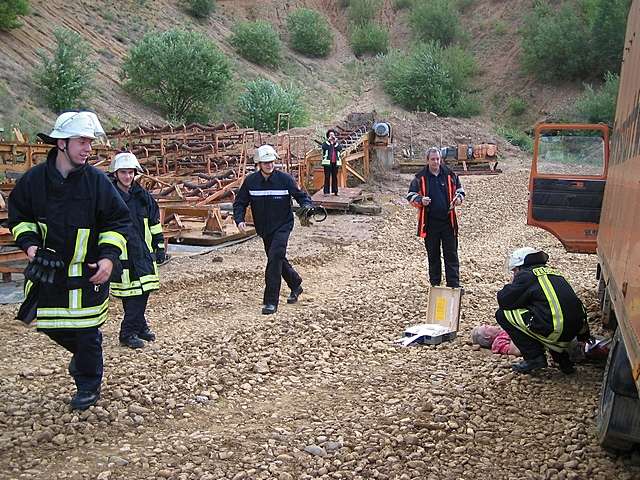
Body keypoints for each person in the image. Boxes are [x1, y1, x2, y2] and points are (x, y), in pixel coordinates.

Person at [8, 111, 130, 410]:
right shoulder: (34, 181)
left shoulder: (98, 182)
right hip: (48, 273)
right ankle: (85, 359)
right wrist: (31, 246)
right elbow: (19, 218)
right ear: (61, 143)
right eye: (82, 141)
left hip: (87, 274)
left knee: (88, 332)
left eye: (90, 141)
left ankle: (88, 383)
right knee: (49, 324)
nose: (88, 148)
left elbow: (117, 221)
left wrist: (109, 258)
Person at [233, 144, 314, 315]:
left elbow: (301, 197)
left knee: (274, 258)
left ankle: (270, 302)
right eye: (265, 162)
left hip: (283, 226)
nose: (269, 165)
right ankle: (295, 284)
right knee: (276, 258)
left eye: (271, 162)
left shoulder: (285, 179)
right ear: (259, 164)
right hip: (264, 229)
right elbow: (240, 203)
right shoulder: (251, 182)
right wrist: (239, 220)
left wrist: (307, 206)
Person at [495, 247, 590, 374]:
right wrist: (583, 337)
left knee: (503, 314)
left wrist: (512, 283)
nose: (514, 274)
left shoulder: (527, 275)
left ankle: (534, 358)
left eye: (514, 271)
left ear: (520, 266)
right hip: (574, 331)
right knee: (546, 313)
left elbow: (504, 300)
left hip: (556, 330)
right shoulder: (553, 273)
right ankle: (563, 360)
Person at [109, 152, 165, 349]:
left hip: (143, 252)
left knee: (143, 291)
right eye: (123, 172)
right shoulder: (109, 198)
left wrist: (159, 246)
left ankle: (139, 326)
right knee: (131, 294)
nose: (127, 176)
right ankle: (127, 333)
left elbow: (154, 223)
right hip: (122, 255)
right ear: (116, 174)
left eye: (131, 172)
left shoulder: (143, 197)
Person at [407, 147, 464, 288]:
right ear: (427, 160)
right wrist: (420, 200)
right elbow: (410, 196)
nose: (436, 162)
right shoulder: (420, 177)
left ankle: (454, 286)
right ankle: (435, 285)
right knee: (433, 256)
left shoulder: (450, 175)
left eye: (438, 159)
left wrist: (458, 199)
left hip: (448, 222)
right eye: (433, 159)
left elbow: (460, 191)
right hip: (430, 223)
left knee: (451, 255)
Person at [321, 129, 344, 196]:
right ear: (328, 136)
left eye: (333, 135)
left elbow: (340, 148)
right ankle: (326, 192)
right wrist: (330, 142)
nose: (332, 136)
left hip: (335, 162)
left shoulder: (337, 143)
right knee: (327, 177)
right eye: (330, 135)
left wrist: (335, 142)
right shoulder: (325, 143)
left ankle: (335, 191)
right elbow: (324, 147)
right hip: (327, 163)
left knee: (335, 177)